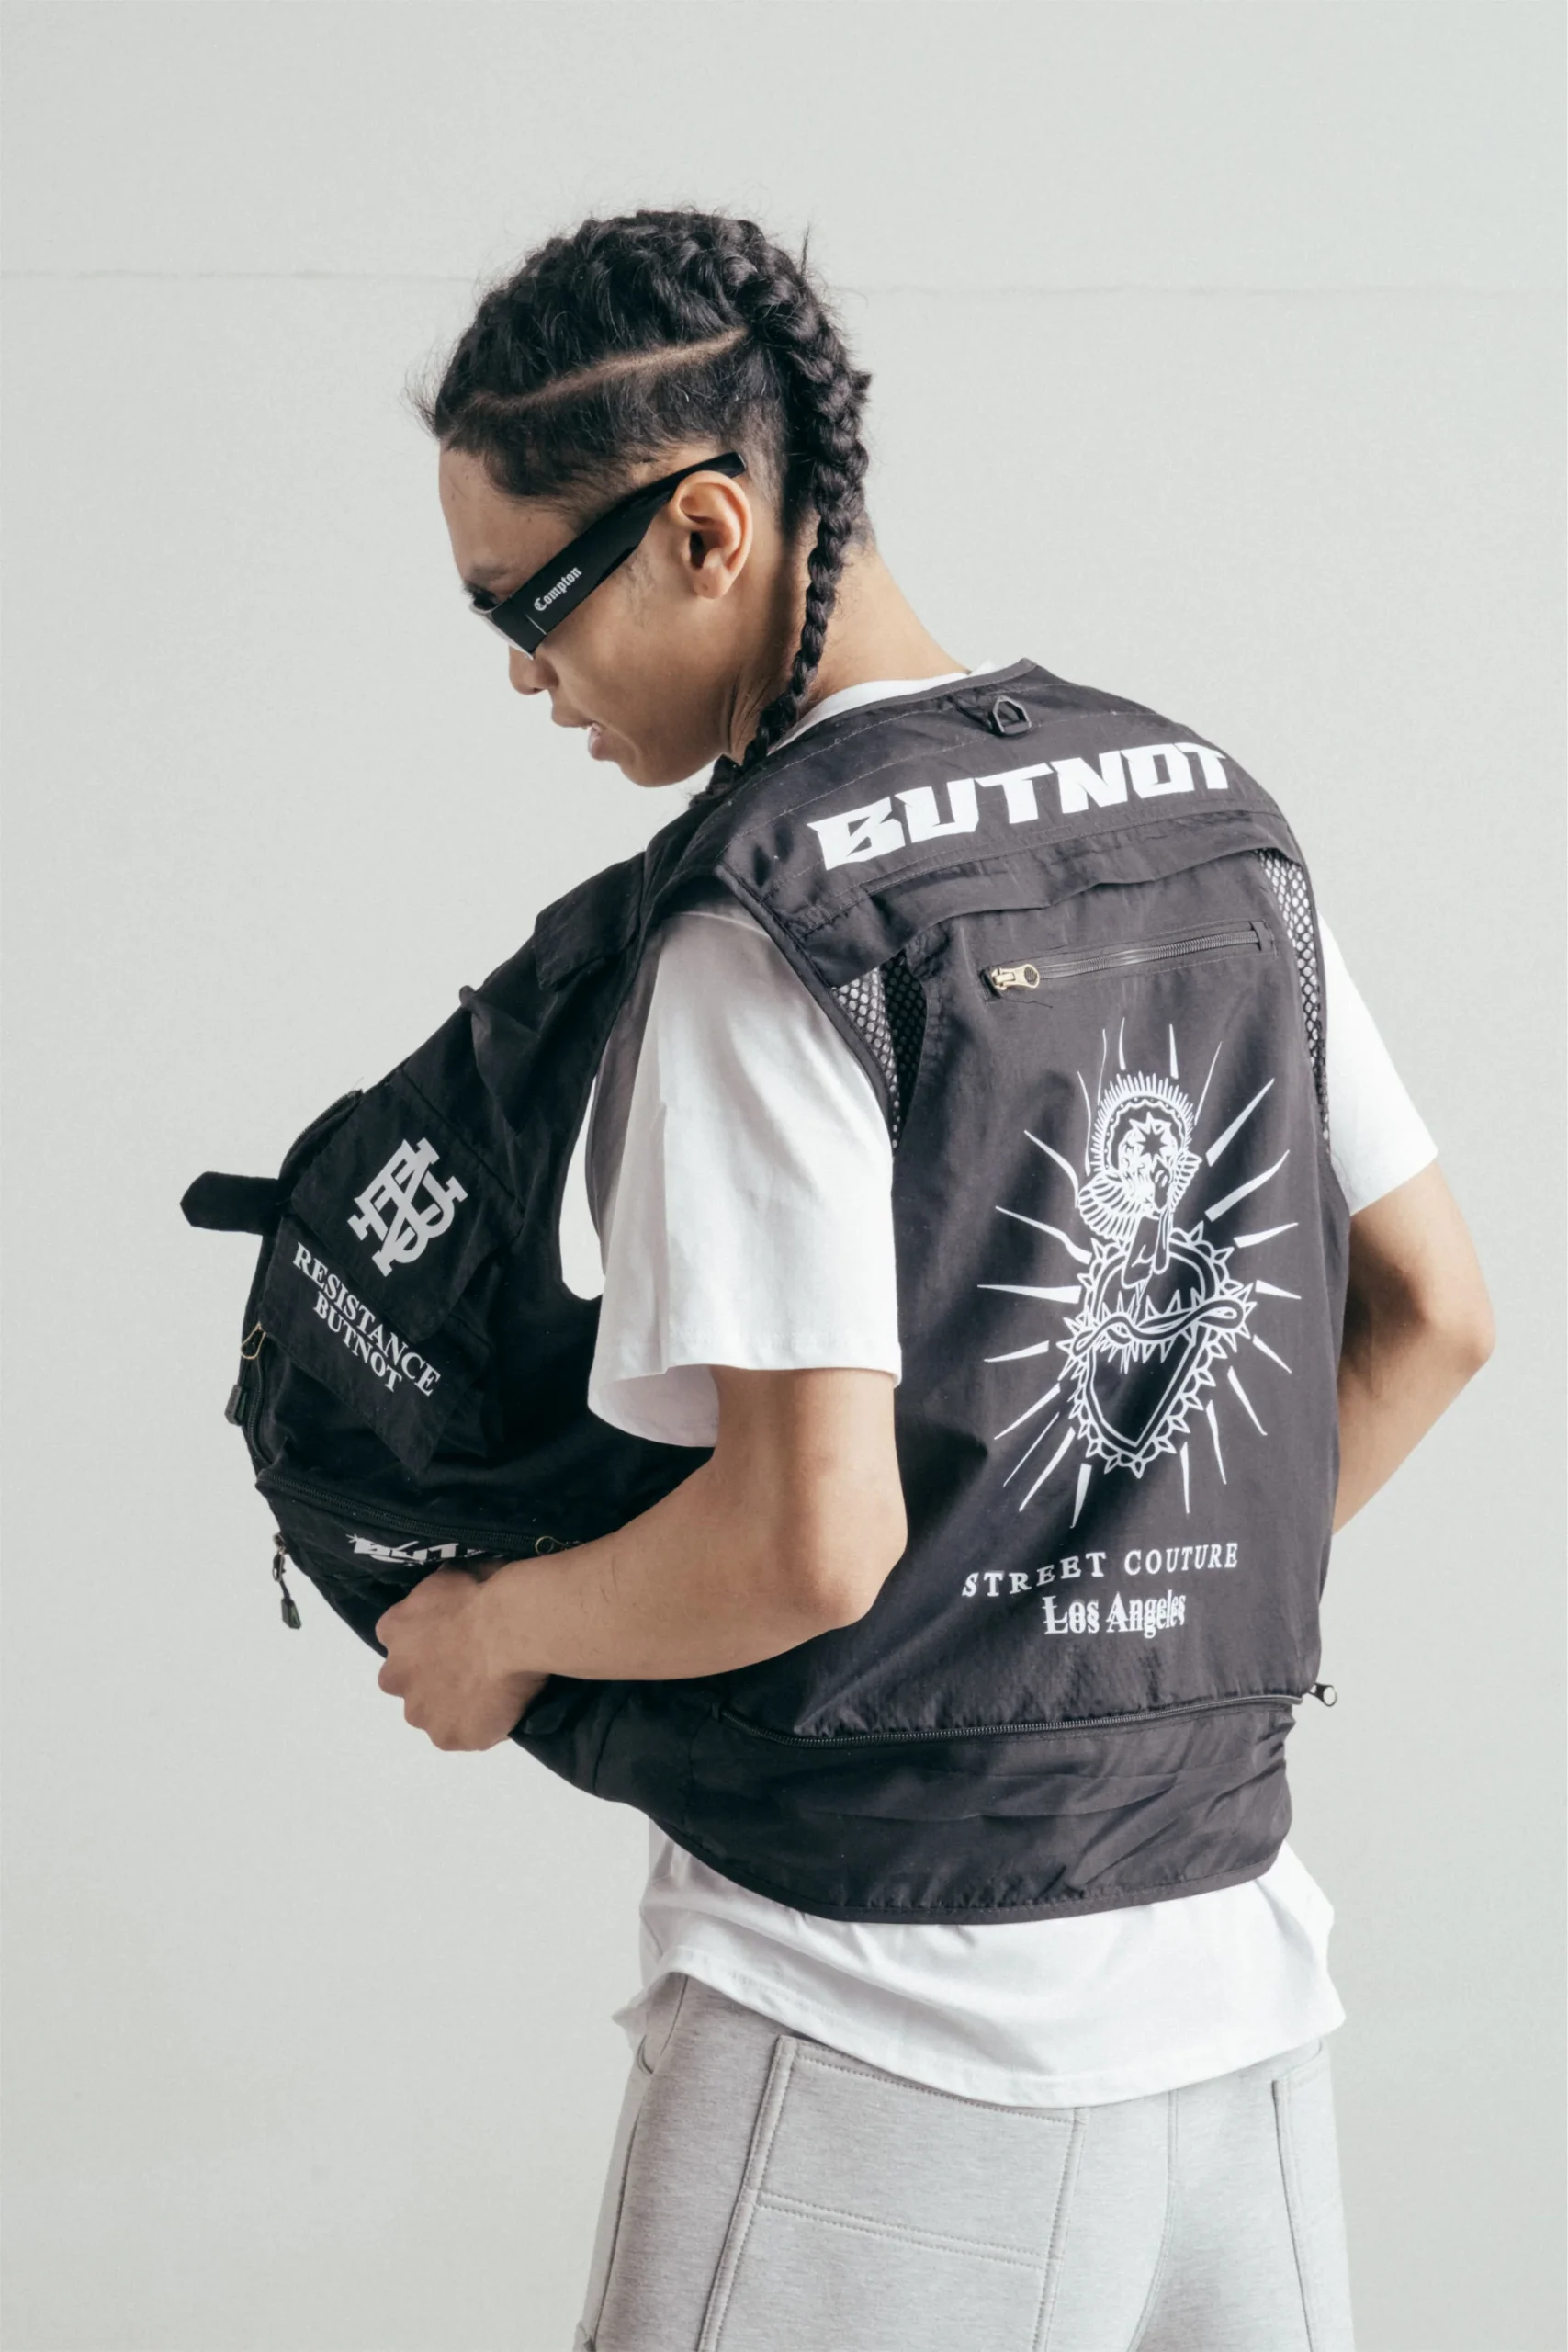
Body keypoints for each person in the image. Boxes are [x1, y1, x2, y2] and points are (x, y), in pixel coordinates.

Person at [372, 209, 1495, 2351]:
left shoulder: (767, 916)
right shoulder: (1210, 814)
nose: (523, 669)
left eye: (526, 601)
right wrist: (1096, 1622)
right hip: (1233, 1996)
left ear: (704, 530)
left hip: (875, 2019)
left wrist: (496, 1626)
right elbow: (1437, 1310)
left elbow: (805, 1538)